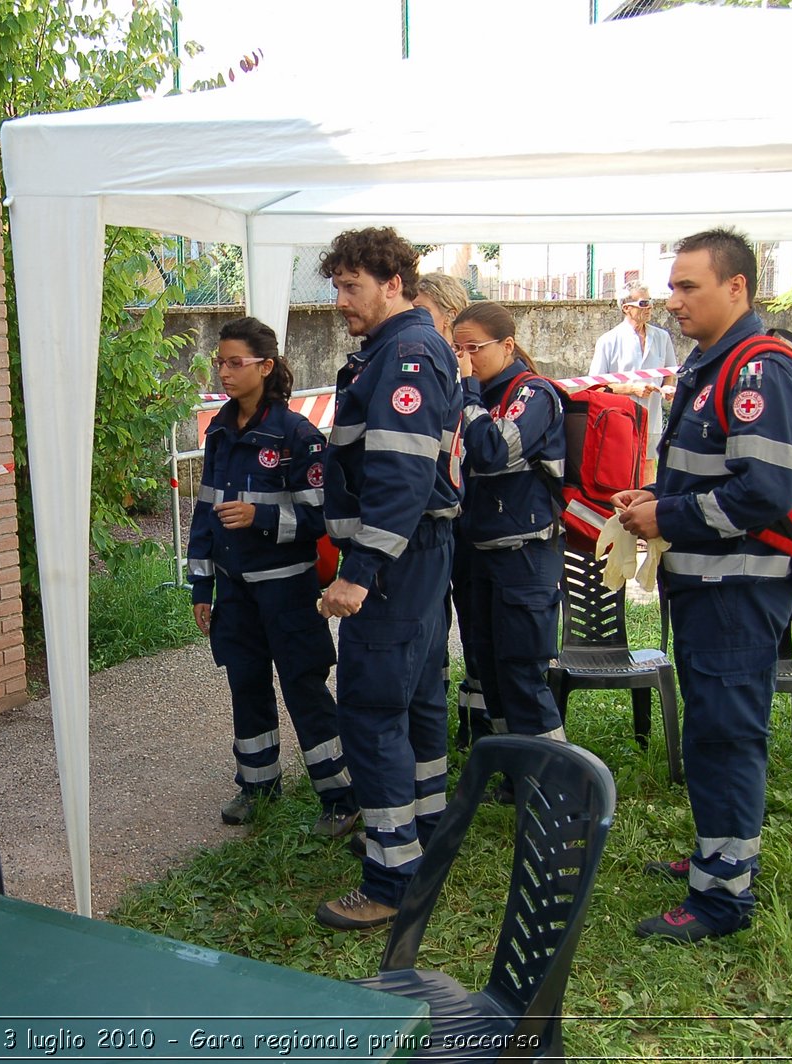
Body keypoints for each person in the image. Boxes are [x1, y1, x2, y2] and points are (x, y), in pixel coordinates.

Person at [614, 229, 792, 943]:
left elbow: (764, 494)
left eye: (687, 286)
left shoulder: (762, 369)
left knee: (727, 737)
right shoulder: (713, 363)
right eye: (671, 286)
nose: (672, 301)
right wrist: (651, 495)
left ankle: (724, 899)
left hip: (736, 591)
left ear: (738, 288)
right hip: (705, 586)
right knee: (709, 731)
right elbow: (715, 471)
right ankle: (714, 858)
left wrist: (663, 514)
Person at [314, 228, 461, 930]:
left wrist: (359, 573)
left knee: (372, 712)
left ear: (395, 283)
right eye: (336, 286)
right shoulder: (399, 349)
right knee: (420, 701)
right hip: (419, 555)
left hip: (394, 563)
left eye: (352, 286)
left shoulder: (404, 351)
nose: (341, 300)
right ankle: (425, 841)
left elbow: (401, 476)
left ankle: (391, 878)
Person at [186, 317, 358, 838]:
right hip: (236, 591)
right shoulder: (218, 431)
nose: (223, 372)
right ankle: (258, 786)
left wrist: (260, 518)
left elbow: (320, 519)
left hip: (287, 590)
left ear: (265, 366)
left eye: (235, 363)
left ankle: (339, 796)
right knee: (246, 683)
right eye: (219, 362)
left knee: (305, 688)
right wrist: (202, 586)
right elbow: (203, 514)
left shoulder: (297, 436)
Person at [452, 302, 567, 745]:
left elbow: (493, 451)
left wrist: (468, 394)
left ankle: (551, 781)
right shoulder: (476, 396)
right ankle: (513, 775)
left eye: (474, 348)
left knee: (522, 673)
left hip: (526, 554)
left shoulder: (532, 395)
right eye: (457, 349)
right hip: (480, 552)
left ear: (507, 345)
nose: (465, 358)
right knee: (493, 671)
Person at [413, 273, 488, 751]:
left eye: (423, 314)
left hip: (480, 530)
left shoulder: (474, 371)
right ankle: (433, 728)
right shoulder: (416, 364)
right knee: (431, 632)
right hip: (439, 528)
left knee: (479, 634)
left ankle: (478, 734)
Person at [591, 282, 678, 485]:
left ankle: (646, 511)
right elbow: (595, 386)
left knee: (648, 469)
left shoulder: (662, 337)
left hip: (652, 414)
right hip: (621, 417)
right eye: (643, 303)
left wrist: (667, 388)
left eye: (651, 302)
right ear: (626, 307)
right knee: (622, 469)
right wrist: (632, 388)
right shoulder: (609, 340)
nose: (649, 307)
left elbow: (669, 372)